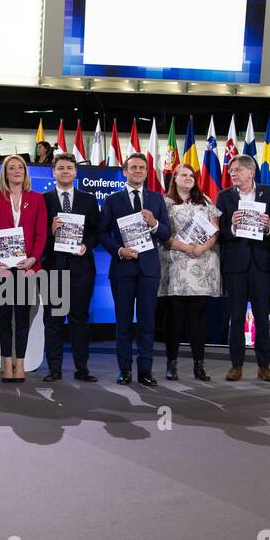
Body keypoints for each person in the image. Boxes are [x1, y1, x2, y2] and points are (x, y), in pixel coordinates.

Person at [100, 152, 170, 385]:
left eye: (142, 167)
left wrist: (155, 223)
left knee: (147, 322)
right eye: (133, 167)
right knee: (123, 322)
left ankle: (146, 371)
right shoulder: (112, 200)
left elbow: (166, 233)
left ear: (147, 172)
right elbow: (102, 233)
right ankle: (125, 370)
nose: (138, 171)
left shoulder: (157, 200)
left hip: (149, 269)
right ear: (124, 171)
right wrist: (120, 251)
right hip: (122, 268)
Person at [0, 156, 47, 383]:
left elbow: (41, 234)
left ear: (25, 172)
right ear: (5, 173)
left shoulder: (36, 199)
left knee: (22, 318)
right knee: (3, 318)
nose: (17, 171)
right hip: (2, 269)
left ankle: (21, 363)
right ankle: (6, 362)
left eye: (21, 167)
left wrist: (33, 258)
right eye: (12, 168)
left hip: (27, 268)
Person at [216, 153, 270, 382]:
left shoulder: (269, 193)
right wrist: (232, 227)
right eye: (231, 170)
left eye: (238, 170)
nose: (233, 173)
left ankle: (264, 366)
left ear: (251, 172)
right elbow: (220, 231)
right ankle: (236, 365)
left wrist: (269, 227)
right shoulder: (224, 197)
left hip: (262, 264)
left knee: (263, 316)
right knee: (236, 316)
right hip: (235, 265)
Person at [158, 162, 221, 381]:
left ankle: (199, 365)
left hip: (201, 265)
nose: (187, 178)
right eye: (182, 175)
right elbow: (161, 233)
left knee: (197, 318)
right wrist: (185, 247)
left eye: (191, 175)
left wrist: (202, 248)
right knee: (174, 317)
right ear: (174, 179)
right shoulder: (164, 202)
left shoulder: (206, 201)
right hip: (174, 265)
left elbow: (215, 231)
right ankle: (171, 363)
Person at [41, 152, 99, 382]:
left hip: (81, 267)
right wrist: (50, 231)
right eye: (60, 168)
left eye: (69, 168)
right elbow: (35, 235)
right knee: (53, 320)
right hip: (53, 267)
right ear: (53, 172)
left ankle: (81, 368)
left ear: (76, 172)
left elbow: (96, 231)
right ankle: (54, 368)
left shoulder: (88, 199)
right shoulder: (42, 200)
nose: (65, 171)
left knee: (79, 319)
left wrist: (87, 245)